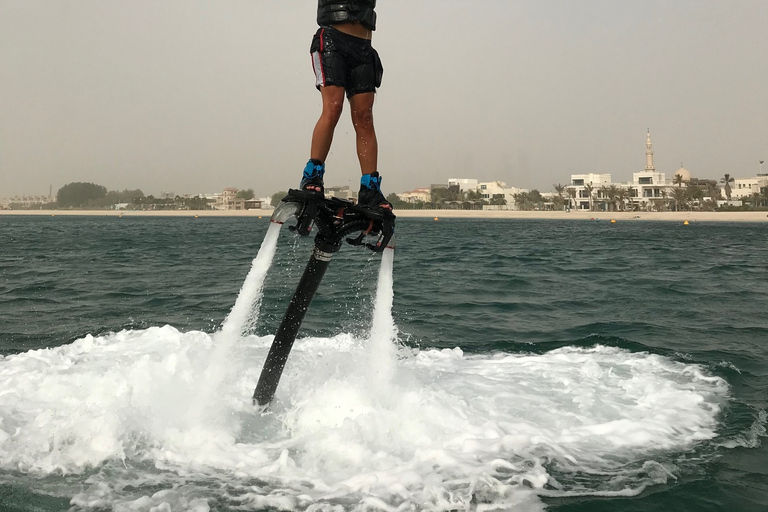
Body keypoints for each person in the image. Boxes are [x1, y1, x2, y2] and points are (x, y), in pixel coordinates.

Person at [300, 0, 391, 210]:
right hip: (332, 40)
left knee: (365, 117)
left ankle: (370, 189)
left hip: (364, 49)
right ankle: (312, 176)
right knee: (333, 106)